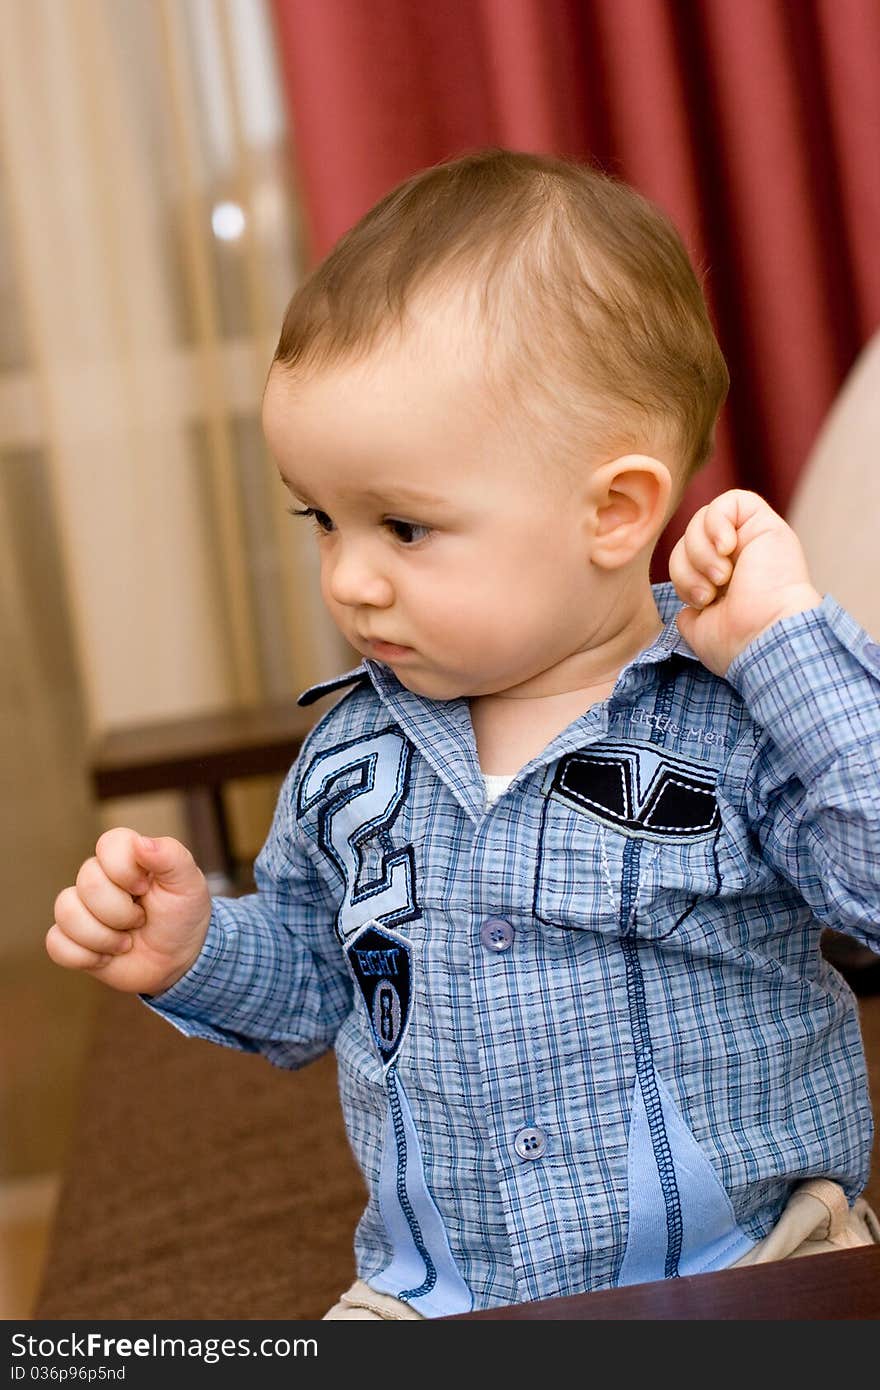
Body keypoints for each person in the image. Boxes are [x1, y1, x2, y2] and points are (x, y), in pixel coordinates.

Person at [47, 149, 880, 1319]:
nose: (348, 579)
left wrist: (785, 641)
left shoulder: (738, 717)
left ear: (613, 512)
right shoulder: (349, 761)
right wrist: (193, 948)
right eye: (321, 521)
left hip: (753, 1268)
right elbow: (309, 987)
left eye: (402, 525)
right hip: (437, 1299)